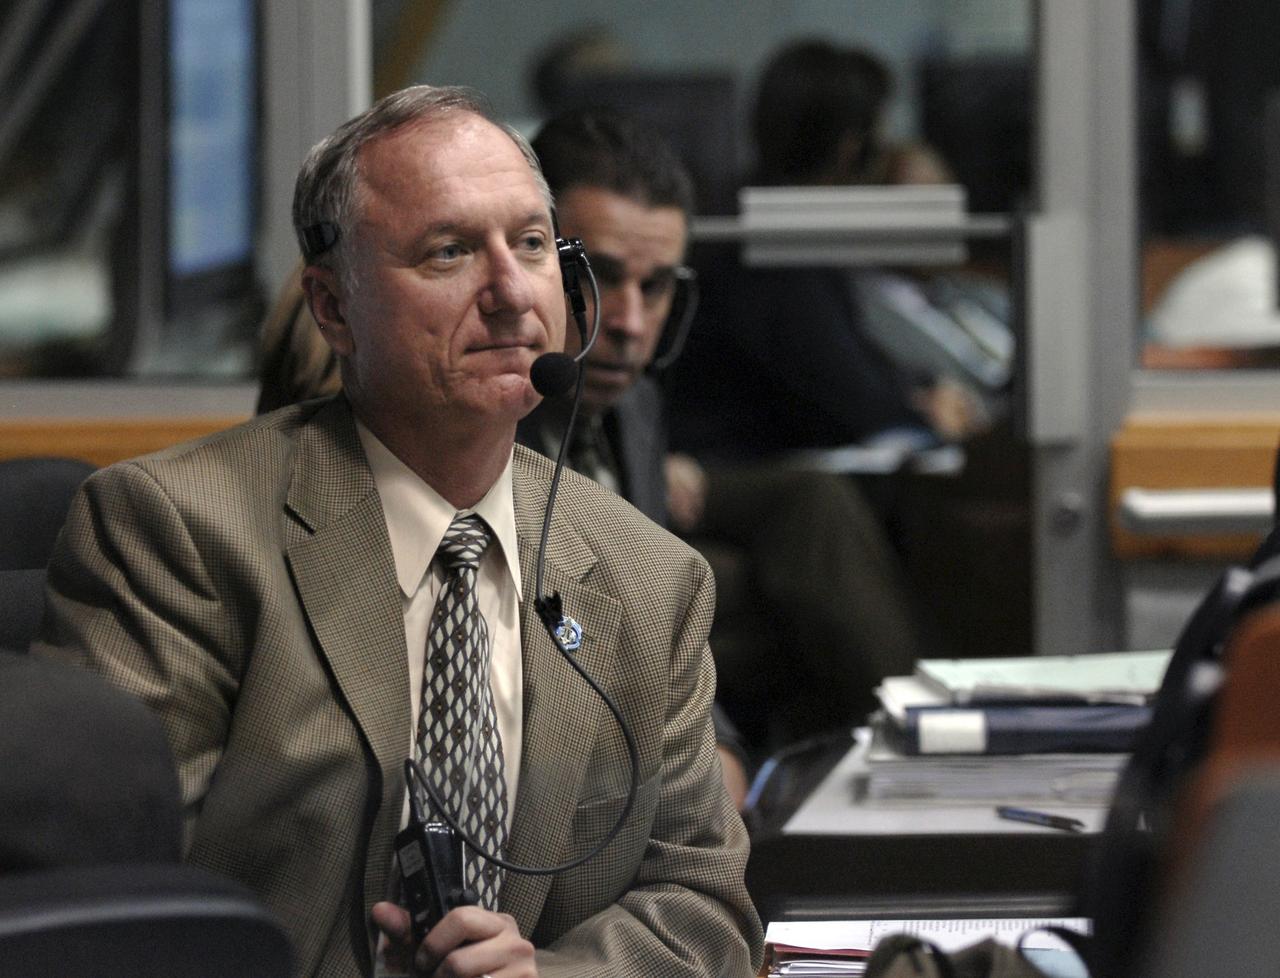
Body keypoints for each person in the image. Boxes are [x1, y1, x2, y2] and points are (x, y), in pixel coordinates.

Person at [32, 85, 762, 978]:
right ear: (334, 308)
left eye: (531, 244)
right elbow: (125, 913)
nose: (508, 291)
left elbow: (702, 902)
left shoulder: (651, 577)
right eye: (449, 252)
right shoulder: (173, 531)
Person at [524, 109, 929, 750]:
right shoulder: (484, 427)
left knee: (813, 513)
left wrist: (722, 753)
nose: (629, 320)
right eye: (597, 275)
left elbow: (659, 652)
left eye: (655, 287)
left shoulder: (636, 407)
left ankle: (916, 741)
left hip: (643, 706)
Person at [666, 38, 986, 462]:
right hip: (741, 466)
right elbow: (853, 401)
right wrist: (921, 408)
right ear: (850, 149)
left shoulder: (760, 222)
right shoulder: (771, 251)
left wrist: (920, 388)